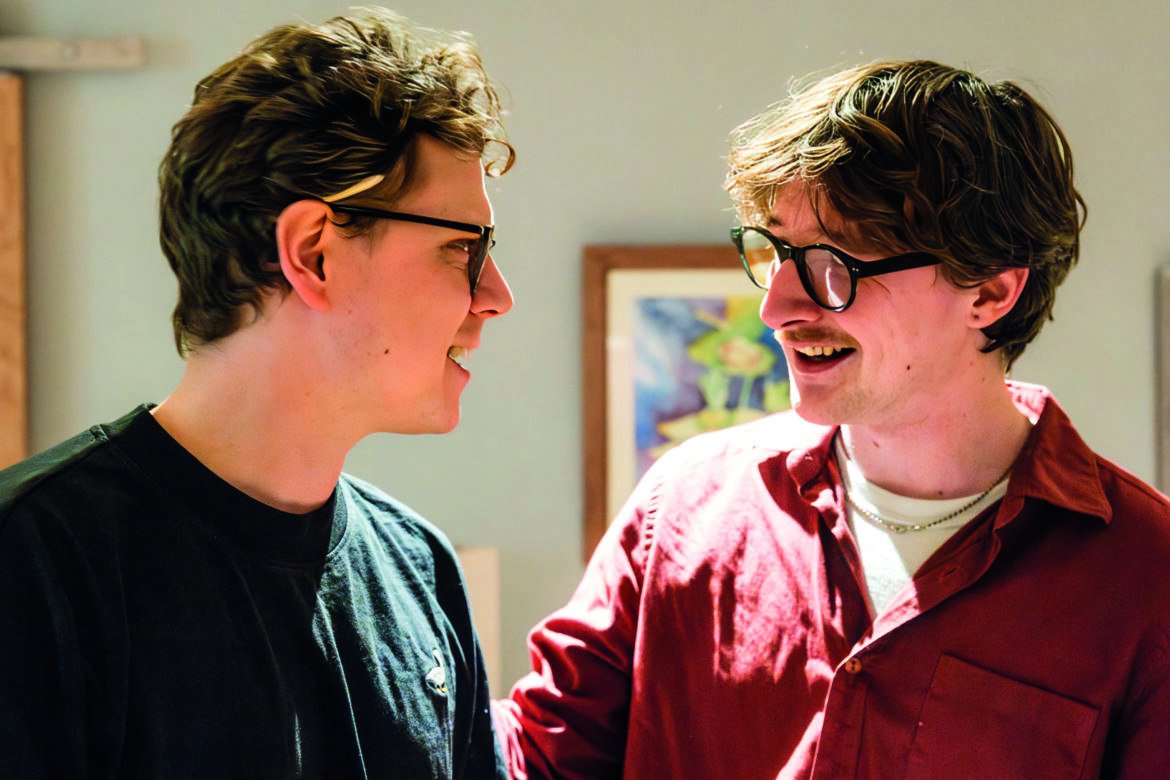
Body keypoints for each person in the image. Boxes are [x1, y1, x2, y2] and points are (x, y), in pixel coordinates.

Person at [492, 60, 1170, 778]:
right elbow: (531, 759)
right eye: (776, 253)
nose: (776, 308)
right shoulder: (684, 506)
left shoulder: (1146, 578)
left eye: (834, 262)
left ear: (990, 292)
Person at [0, 8, 513, 778]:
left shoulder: (423, 572)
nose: (497, 296)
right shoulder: (33, 566)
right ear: (313, 253)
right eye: (462, 249)